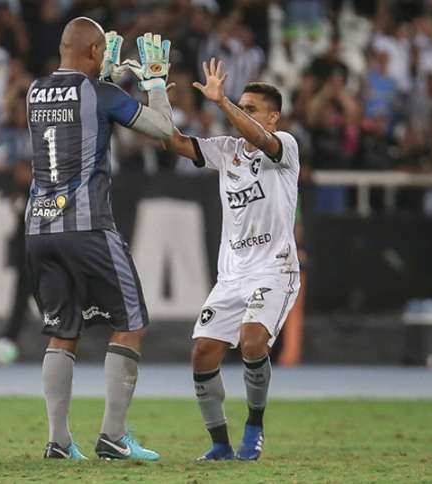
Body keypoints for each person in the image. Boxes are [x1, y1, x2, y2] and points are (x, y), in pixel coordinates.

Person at [27, 19, 174, 460]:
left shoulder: (34, 91)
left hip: (39, 226)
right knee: (130, 324)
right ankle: (113, 435)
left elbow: (76, 117)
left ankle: (58, 441)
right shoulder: (100, 93)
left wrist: (104, 74)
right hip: (87, 227)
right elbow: (164, 130)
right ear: (95, 50)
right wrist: (155, 84)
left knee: (61, 331)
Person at [164, 60, 300, 460]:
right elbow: (173, 141)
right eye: (240, 106)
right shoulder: (226, 152)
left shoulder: (286, 147)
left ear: (273, 117)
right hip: (232, 274)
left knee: (253, 339)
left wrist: (222, 103)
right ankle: (220, 444)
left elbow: (259, 137)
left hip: (275, 269)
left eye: (250, 108)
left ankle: (254, 426)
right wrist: (156, 93)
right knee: (203, 351)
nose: (242, 113)